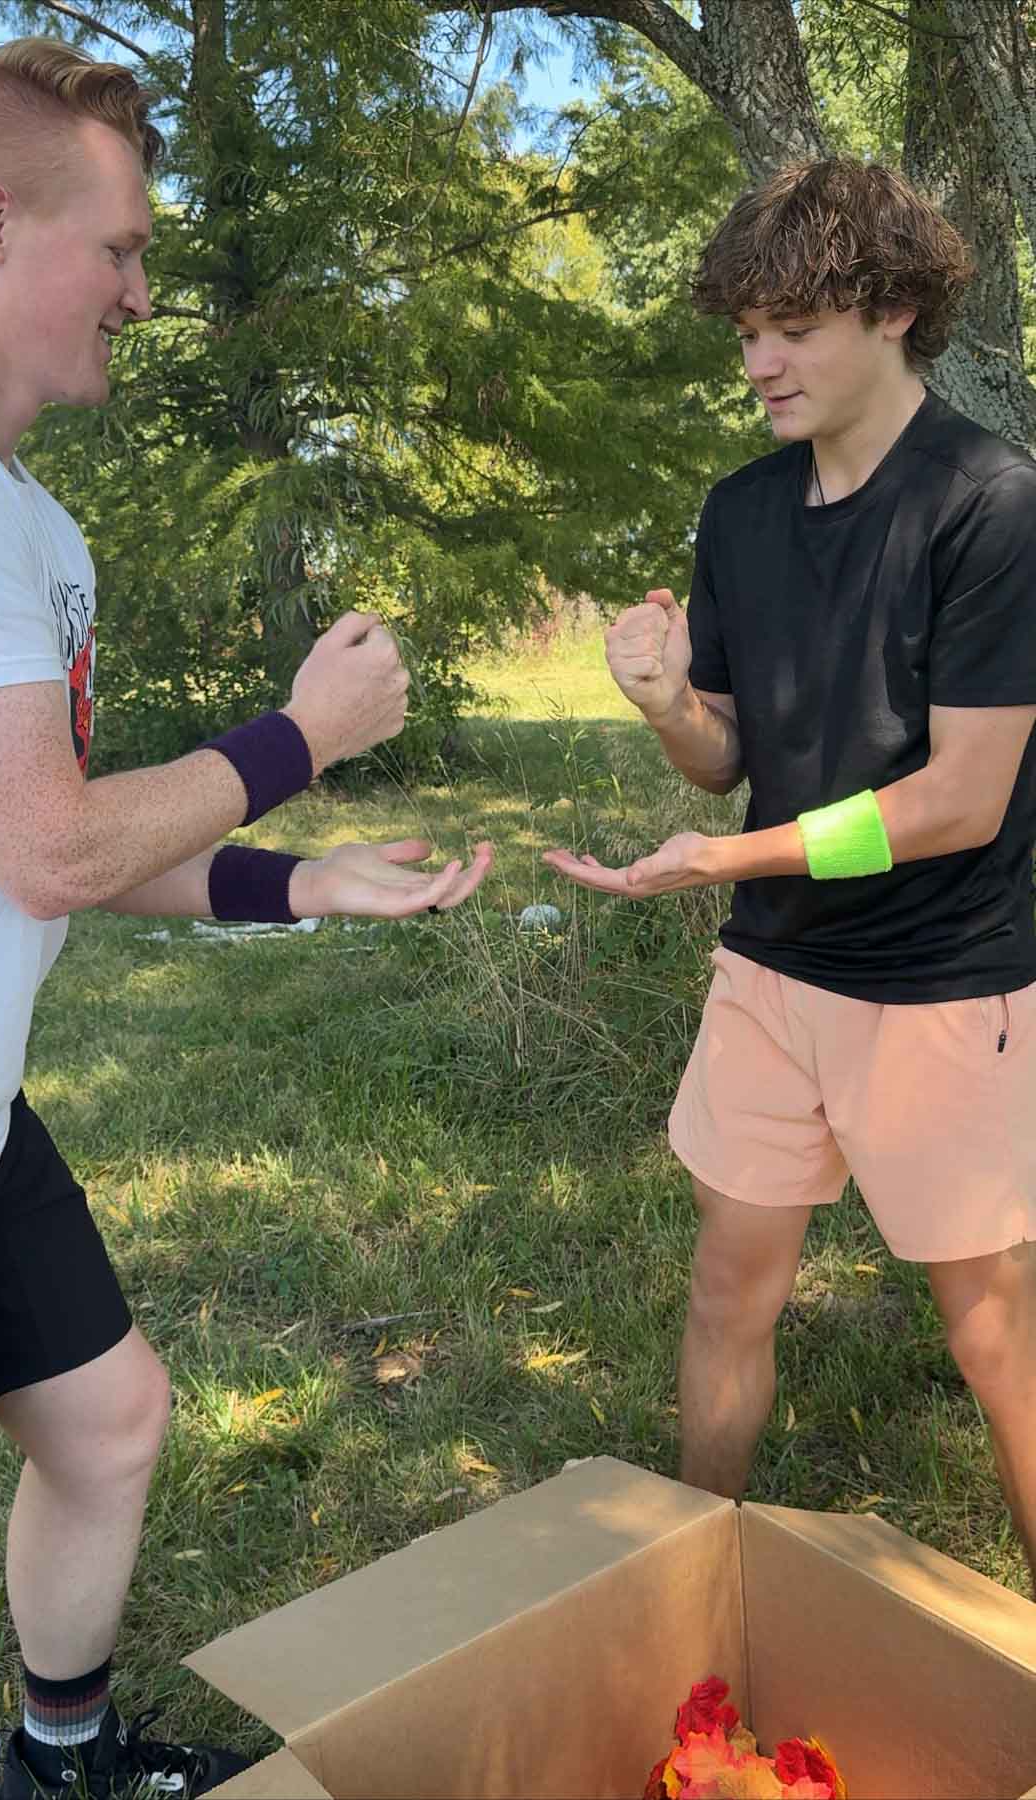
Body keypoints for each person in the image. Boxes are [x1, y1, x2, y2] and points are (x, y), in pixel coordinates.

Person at [0, 38, 491, 1799]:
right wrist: (303, 741)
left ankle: (58, 1763)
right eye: (125, 249)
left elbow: (73, 833)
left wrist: (299, 876)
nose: (146, 293)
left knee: (108, 1421)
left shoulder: (29, 522)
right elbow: (49, 850)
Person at [546, 159, 1036, 1588]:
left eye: (792, 326)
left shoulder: (990, 505)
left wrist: (725, 856)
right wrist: (663, 704)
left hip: (941, 982)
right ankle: (699, 1582)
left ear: (892, 310)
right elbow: (728, 754)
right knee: (725, 1288)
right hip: (770, 972)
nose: (758, 361)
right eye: (744, 329)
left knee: (994, 1330)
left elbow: (957, 800)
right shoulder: (741, 511)